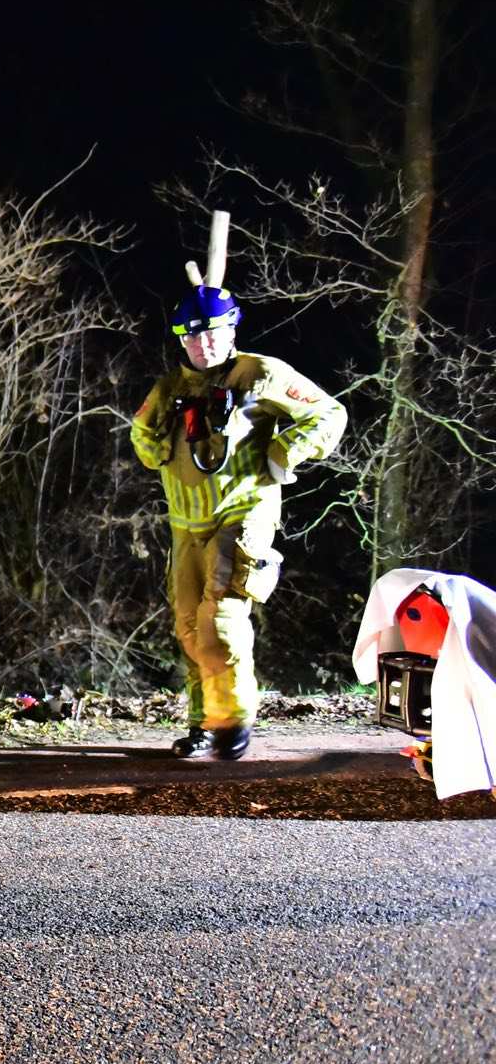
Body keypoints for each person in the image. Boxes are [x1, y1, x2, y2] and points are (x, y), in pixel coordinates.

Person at [130, 285, 346, 759]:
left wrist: (286, 451)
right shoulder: (170, 387)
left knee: (221, 619)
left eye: (212, 333)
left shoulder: (261, 373)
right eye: (190, 335)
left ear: (231, 329)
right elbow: (143, 444)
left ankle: (231, 723)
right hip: (186, 522)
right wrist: (158, 433)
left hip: (243, 511)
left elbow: (329, 413)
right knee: (188, 625)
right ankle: (204, 722)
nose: (201, 344)